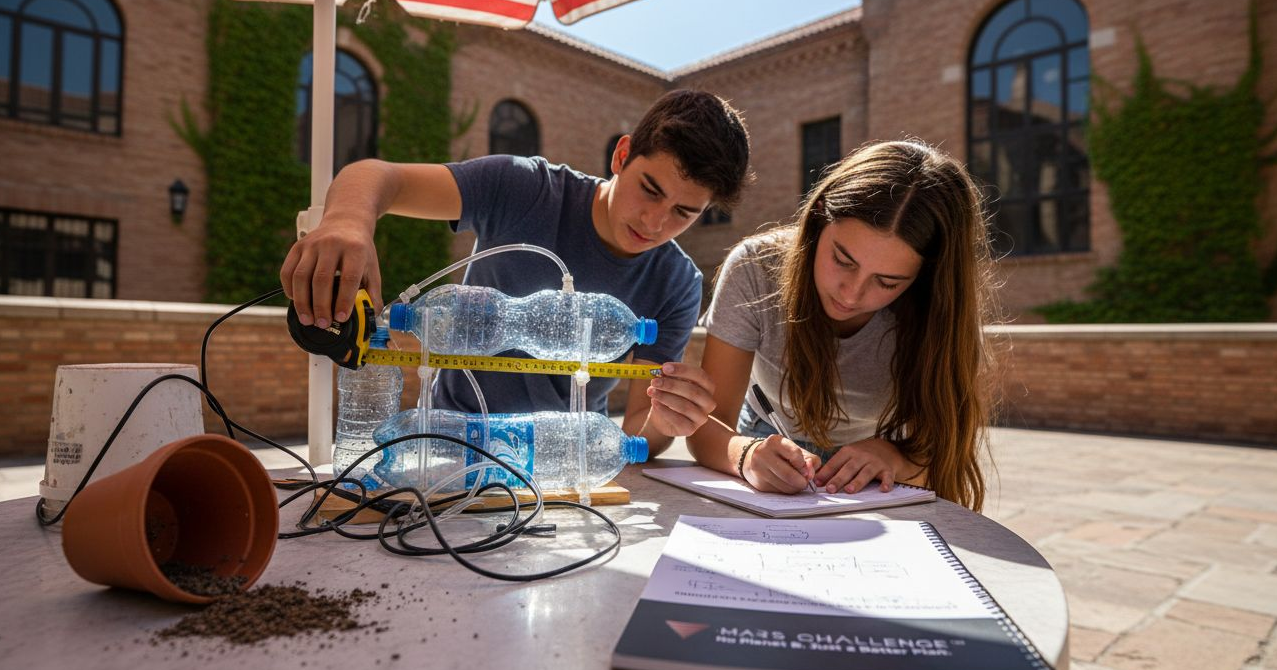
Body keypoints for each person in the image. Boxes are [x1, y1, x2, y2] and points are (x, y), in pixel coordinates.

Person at [281, 89, 752, 457]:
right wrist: (347, 221)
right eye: (650, 190)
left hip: (557, 461)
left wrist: (665, 425)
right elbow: (378, 176)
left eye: (684, 213)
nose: (655, 222)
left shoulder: (677, 283)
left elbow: (639, 428)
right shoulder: (525, 188)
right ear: (622, 156)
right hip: (450, 443)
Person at [686, 140, 998, 511]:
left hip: (885, 459)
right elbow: (707, 424)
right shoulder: (755, 268)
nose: (851, 295)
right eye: (842, 260)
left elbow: (943, 456)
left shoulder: (937, 307)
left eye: (887, 282)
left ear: (924, 278)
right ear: (818, 217)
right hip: (766, 437)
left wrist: (898, 459)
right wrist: (745, 454)